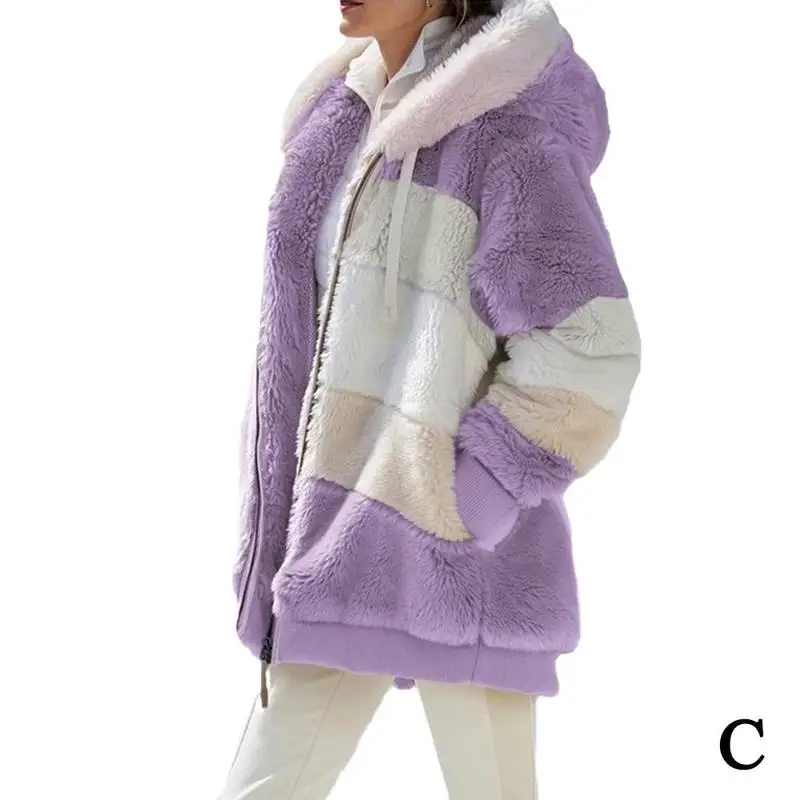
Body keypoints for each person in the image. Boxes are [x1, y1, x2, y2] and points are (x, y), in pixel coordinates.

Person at [222, 0, 642, 797]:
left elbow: (592, 345)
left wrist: (465, 501)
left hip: (463, 566)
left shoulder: (508, 129)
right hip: (334, 551)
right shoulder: (341, 119)